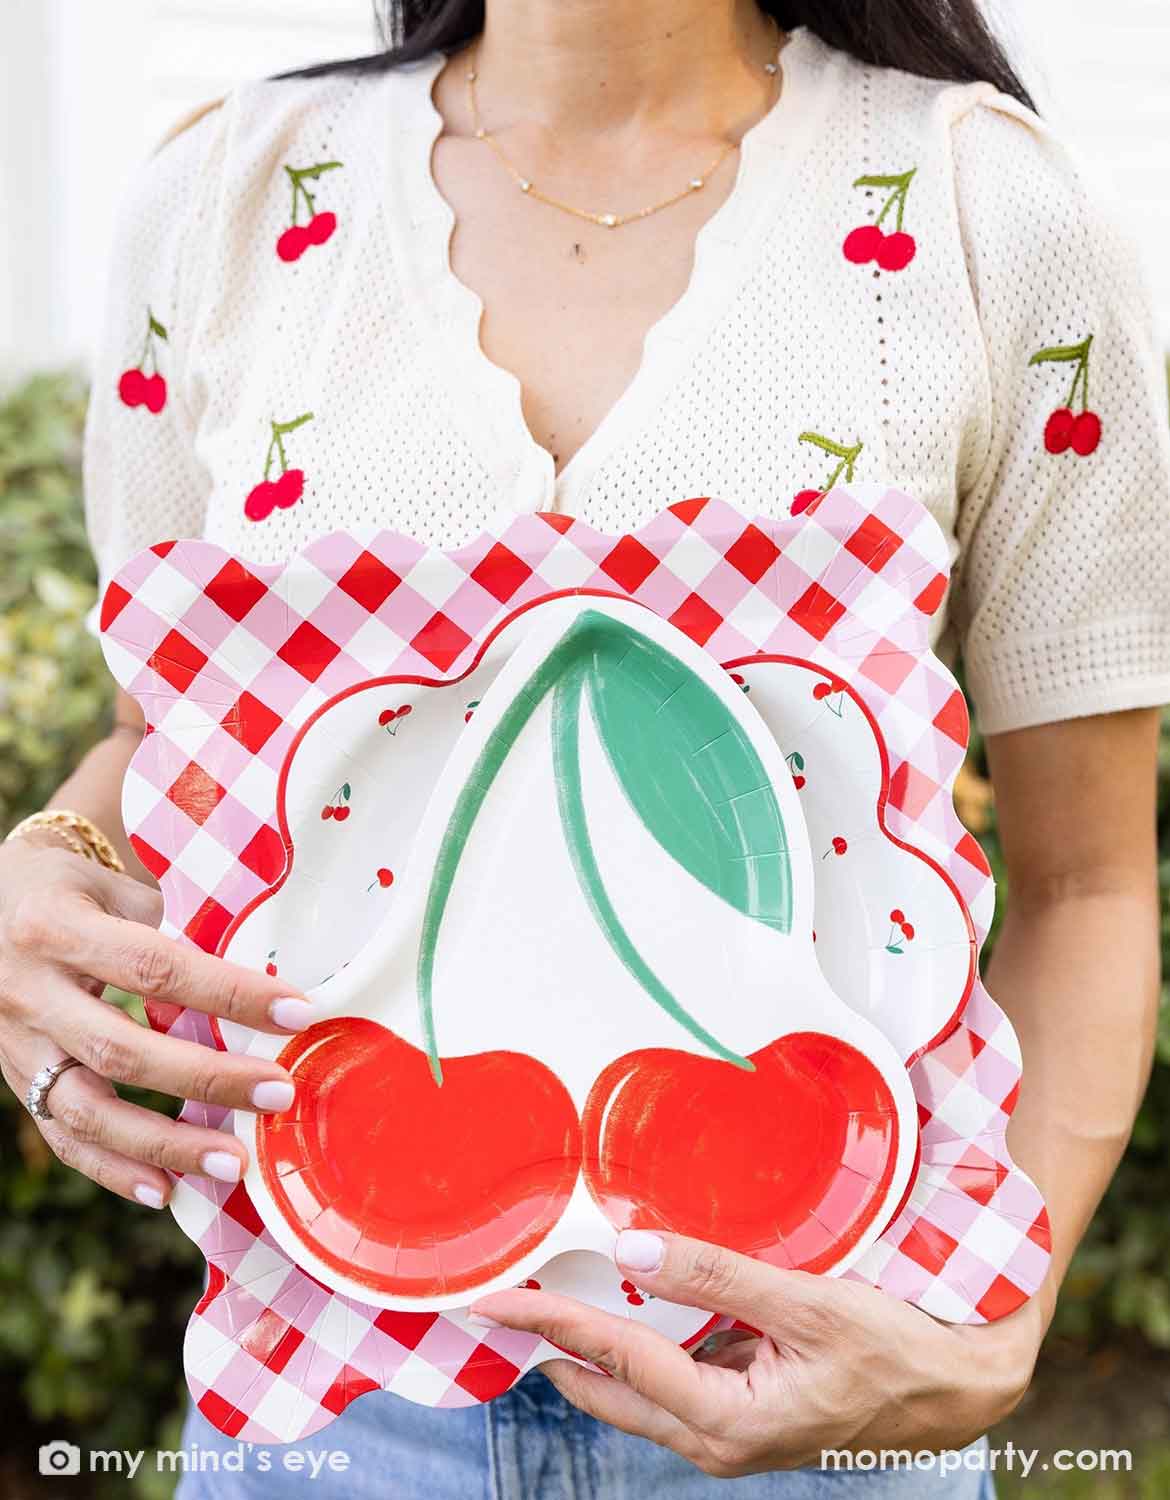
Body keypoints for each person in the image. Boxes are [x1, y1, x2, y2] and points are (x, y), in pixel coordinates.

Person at [3, 0, 1168, 1494]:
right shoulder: (222, 193)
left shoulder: (983, 206)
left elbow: (1086, 887)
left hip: (813, 1396)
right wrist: (41, 865)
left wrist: (989, 1311)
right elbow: (156, 746)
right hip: (334, 1406)